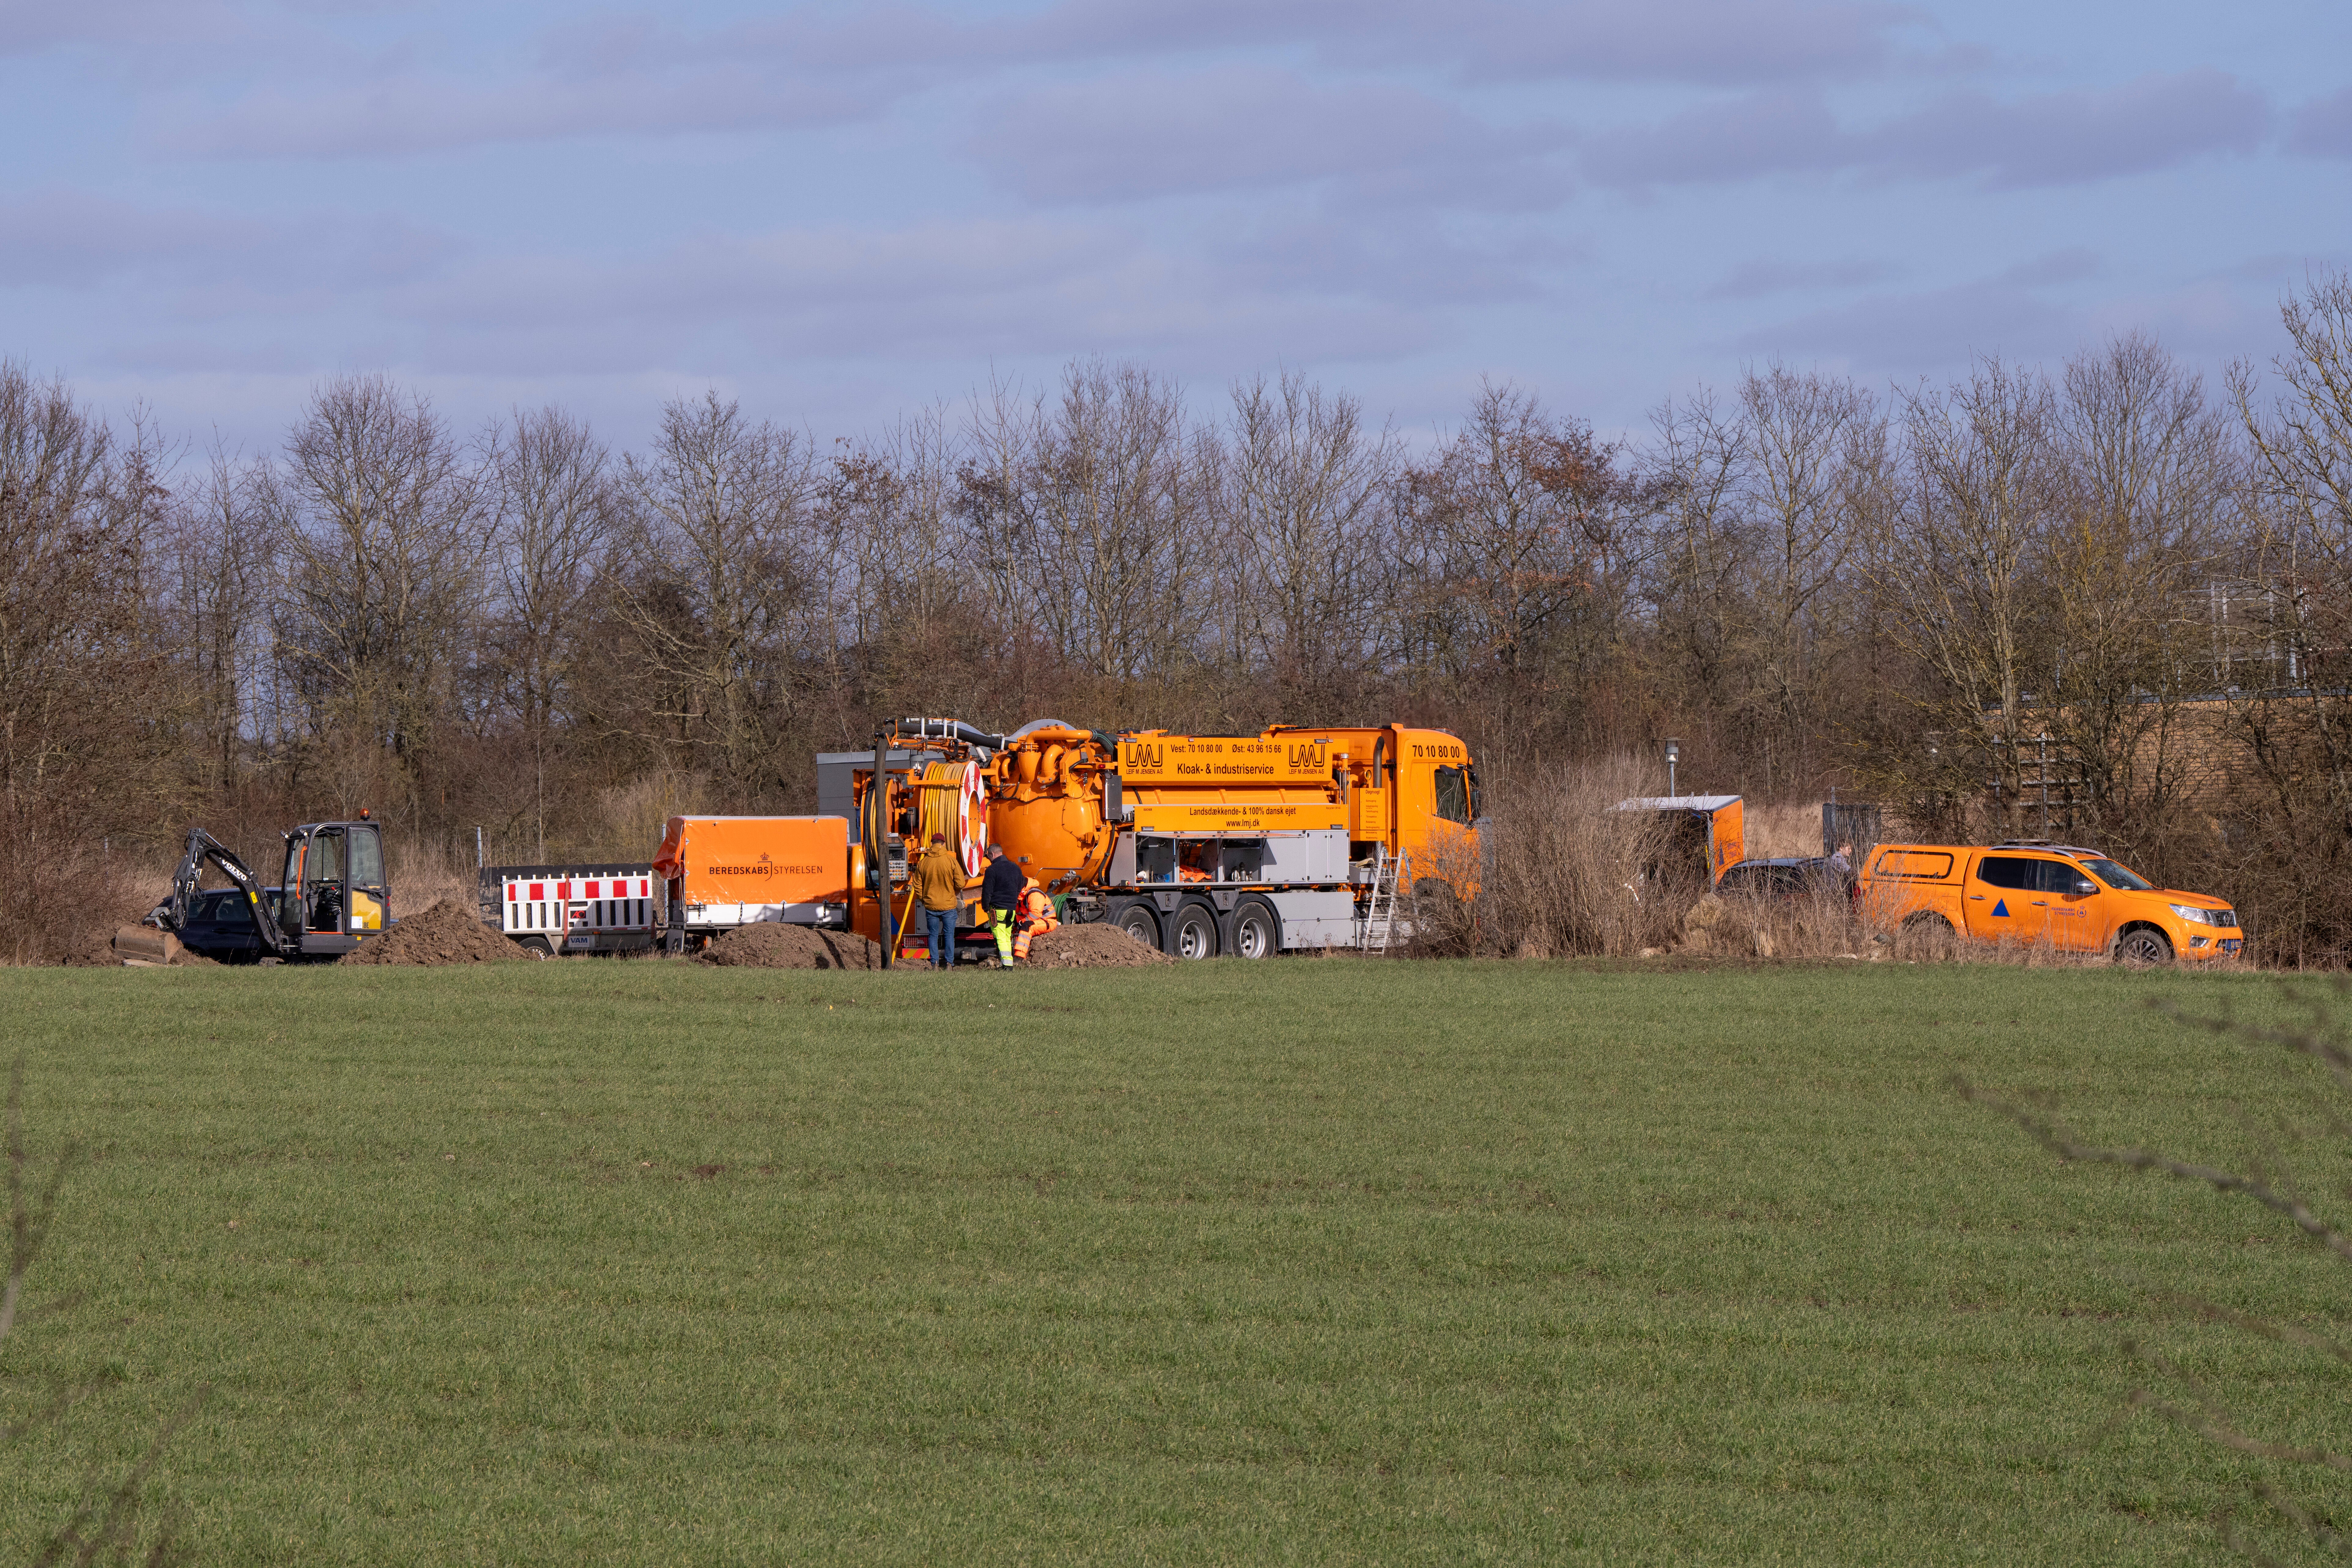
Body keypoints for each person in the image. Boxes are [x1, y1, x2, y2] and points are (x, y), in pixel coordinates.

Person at [912, 832, 966, 970]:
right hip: (948, 905)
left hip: (931, 906)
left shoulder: (923, 863)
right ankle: (949, 964)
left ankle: (934, 964)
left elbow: (917, 884)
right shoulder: (951, 861)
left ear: (932, 844)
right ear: (944, 844)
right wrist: (951, 891)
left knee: (933, 935)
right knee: (949, 935)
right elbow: (960, 884)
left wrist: (924, 899)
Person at [979, 842, 1023, 969]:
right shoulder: (1016, 868)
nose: (989, 860)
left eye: (989, 857)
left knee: (1001, 938)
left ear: (992, 854)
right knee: (1006, 936)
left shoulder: (992, 870)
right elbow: (1020, 888)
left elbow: (987, 891)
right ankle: (1007, 963)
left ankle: (1007, 967)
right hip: (1012, 909)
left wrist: (986, 907)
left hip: (997, 910)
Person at [1012, 878, 1059, 963]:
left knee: (1027, 926)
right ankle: (1003, 948)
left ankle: (1020, 955)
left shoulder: (1035, 894)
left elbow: (1036, 914)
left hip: (1047, 921)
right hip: (1035, 919)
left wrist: (1022, 922)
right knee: (1011, 921)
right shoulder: (1023, 894)